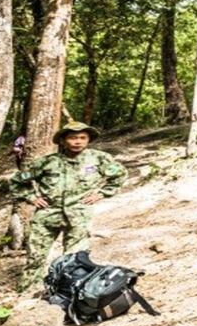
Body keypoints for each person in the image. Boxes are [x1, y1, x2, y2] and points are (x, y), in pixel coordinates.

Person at [12, 121, 127, 292]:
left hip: (79, 215)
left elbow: (119, 175)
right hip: (47, 215)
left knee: (75, 259)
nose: (78, 142)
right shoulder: (47, 162)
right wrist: (32, 197)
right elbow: (17, 181)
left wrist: (102, 193)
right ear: (63, 140)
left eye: (83, 138)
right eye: (73, 138)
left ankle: (68, 294)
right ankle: (26, 294)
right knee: (35, 258)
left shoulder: (98, 159)